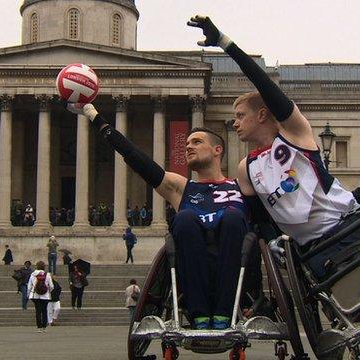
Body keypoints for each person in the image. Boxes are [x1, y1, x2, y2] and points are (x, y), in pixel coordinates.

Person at [188, 16, 360, 281]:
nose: (234, 123)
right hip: (313, 250)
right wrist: (271, 240)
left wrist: (225, 43)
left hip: (349, 225)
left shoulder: (295, 135)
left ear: (262, 115)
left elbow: (264, 85)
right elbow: (259, 217)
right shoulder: (246, 168)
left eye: (241, 115)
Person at [66, 103, 249, 330]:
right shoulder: (181, 188)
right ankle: (199, 312)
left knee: (233, 218)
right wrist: (95, 117)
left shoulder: (242, 186)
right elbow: (136, 158)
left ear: (217, 150)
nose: (188, 147)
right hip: (193, 259)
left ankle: (225, 311)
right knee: (184, 219)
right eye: (187, 143)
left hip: (232, 257)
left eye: (197, 142)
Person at [27, 260, 54, 332]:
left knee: (38, 311)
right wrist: (48, 291)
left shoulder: (33, 274)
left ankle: (39, 328)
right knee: (44, 311)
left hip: (35, 295)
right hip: (45, 296)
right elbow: (51, 286)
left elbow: (29, 286)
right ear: (44, 267)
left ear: (37, 266)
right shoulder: (47, 274)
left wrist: (29, 293)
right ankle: (44, 327)